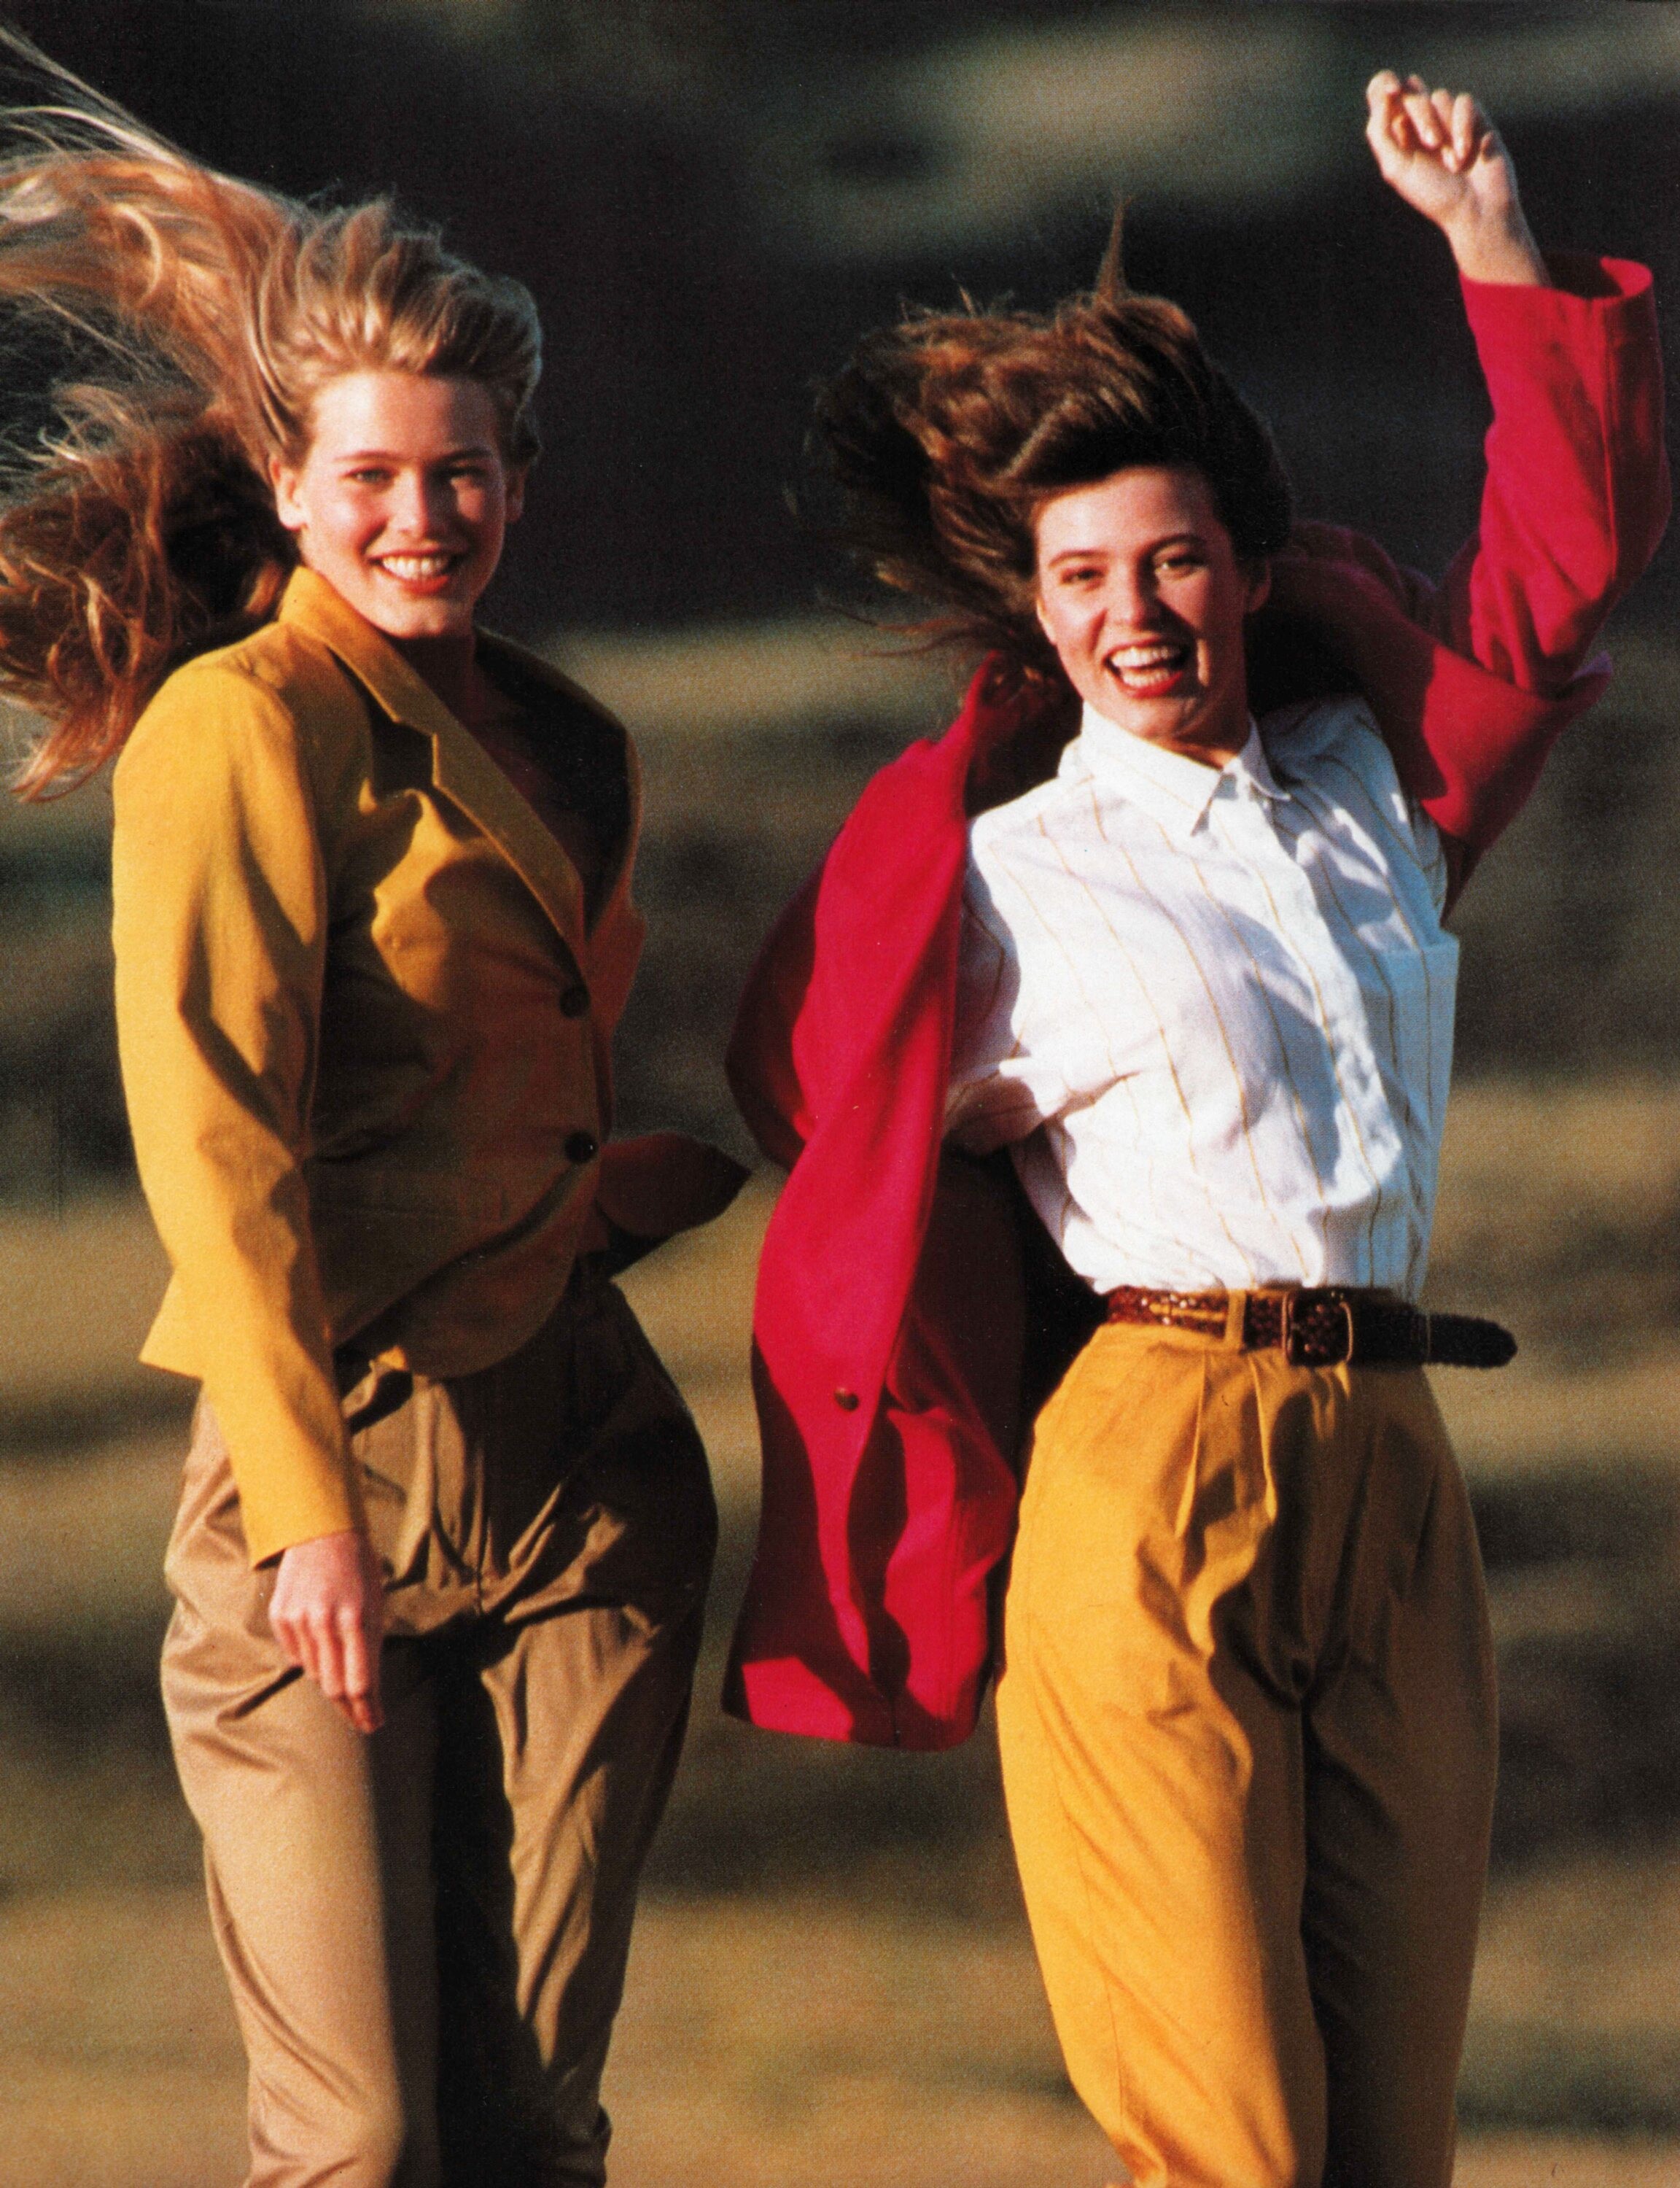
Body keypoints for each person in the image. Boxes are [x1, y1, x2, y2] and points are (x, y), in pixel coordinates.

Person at [723, 73, 1668, 2188]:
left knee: (1392, 2142)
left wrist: (1490, 245)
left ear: (1248, 566)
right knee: (1232, 2139)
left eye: (1172, 561)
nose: (1135, 612)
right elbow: (819, 1100)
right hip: (1151, 1482)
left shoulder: (1373, 789)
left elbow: (1561, 572)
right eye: (1083, 578)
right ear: (1036, 607)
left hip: (1395, 1468)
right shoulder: (1001, 879)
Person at [0, 34, 742, 2188]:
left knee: (534, 2127)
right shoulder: (238, 729)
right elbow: (216, 1139)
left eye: (467, 472)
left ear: (522, 473)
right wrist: (311, 1512)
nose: (426, 519)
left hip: (584, 1469)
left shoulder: (572, 740)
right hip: (327, 1467)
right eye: (379, 478)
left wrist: (629, 1192)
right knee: (359, 2137)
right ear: (289, 477)